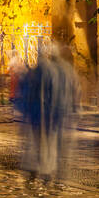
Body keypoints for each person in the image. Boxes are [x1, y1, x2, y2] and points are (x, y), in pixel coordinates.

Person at [18, 44, 78, 183]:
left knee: (40, 142)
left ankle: (41, 170)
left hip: (42, 112)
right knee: (49, 143)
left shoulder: (43, 70)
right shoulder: (58, 71)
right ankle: (47, 171)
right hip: (50, 112)